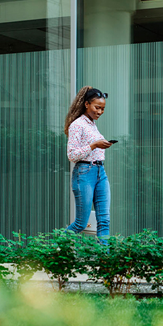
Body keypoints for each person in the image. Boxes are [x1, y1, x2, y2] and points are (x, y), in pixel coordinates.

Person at [64, 86, 113, 240]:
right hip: (84, 173)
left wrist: (100, 145)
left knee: (104, 220)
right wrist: (94, 145)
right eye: (97, 107)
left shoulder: (92, 124)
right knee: (80, 223)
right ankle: (52, 251)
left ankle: (105, 259)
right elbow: (72, 155)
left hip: (100, 172)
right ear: (86, 104)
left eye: (103, 109)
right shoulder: (77, 125)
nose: (100, 112)